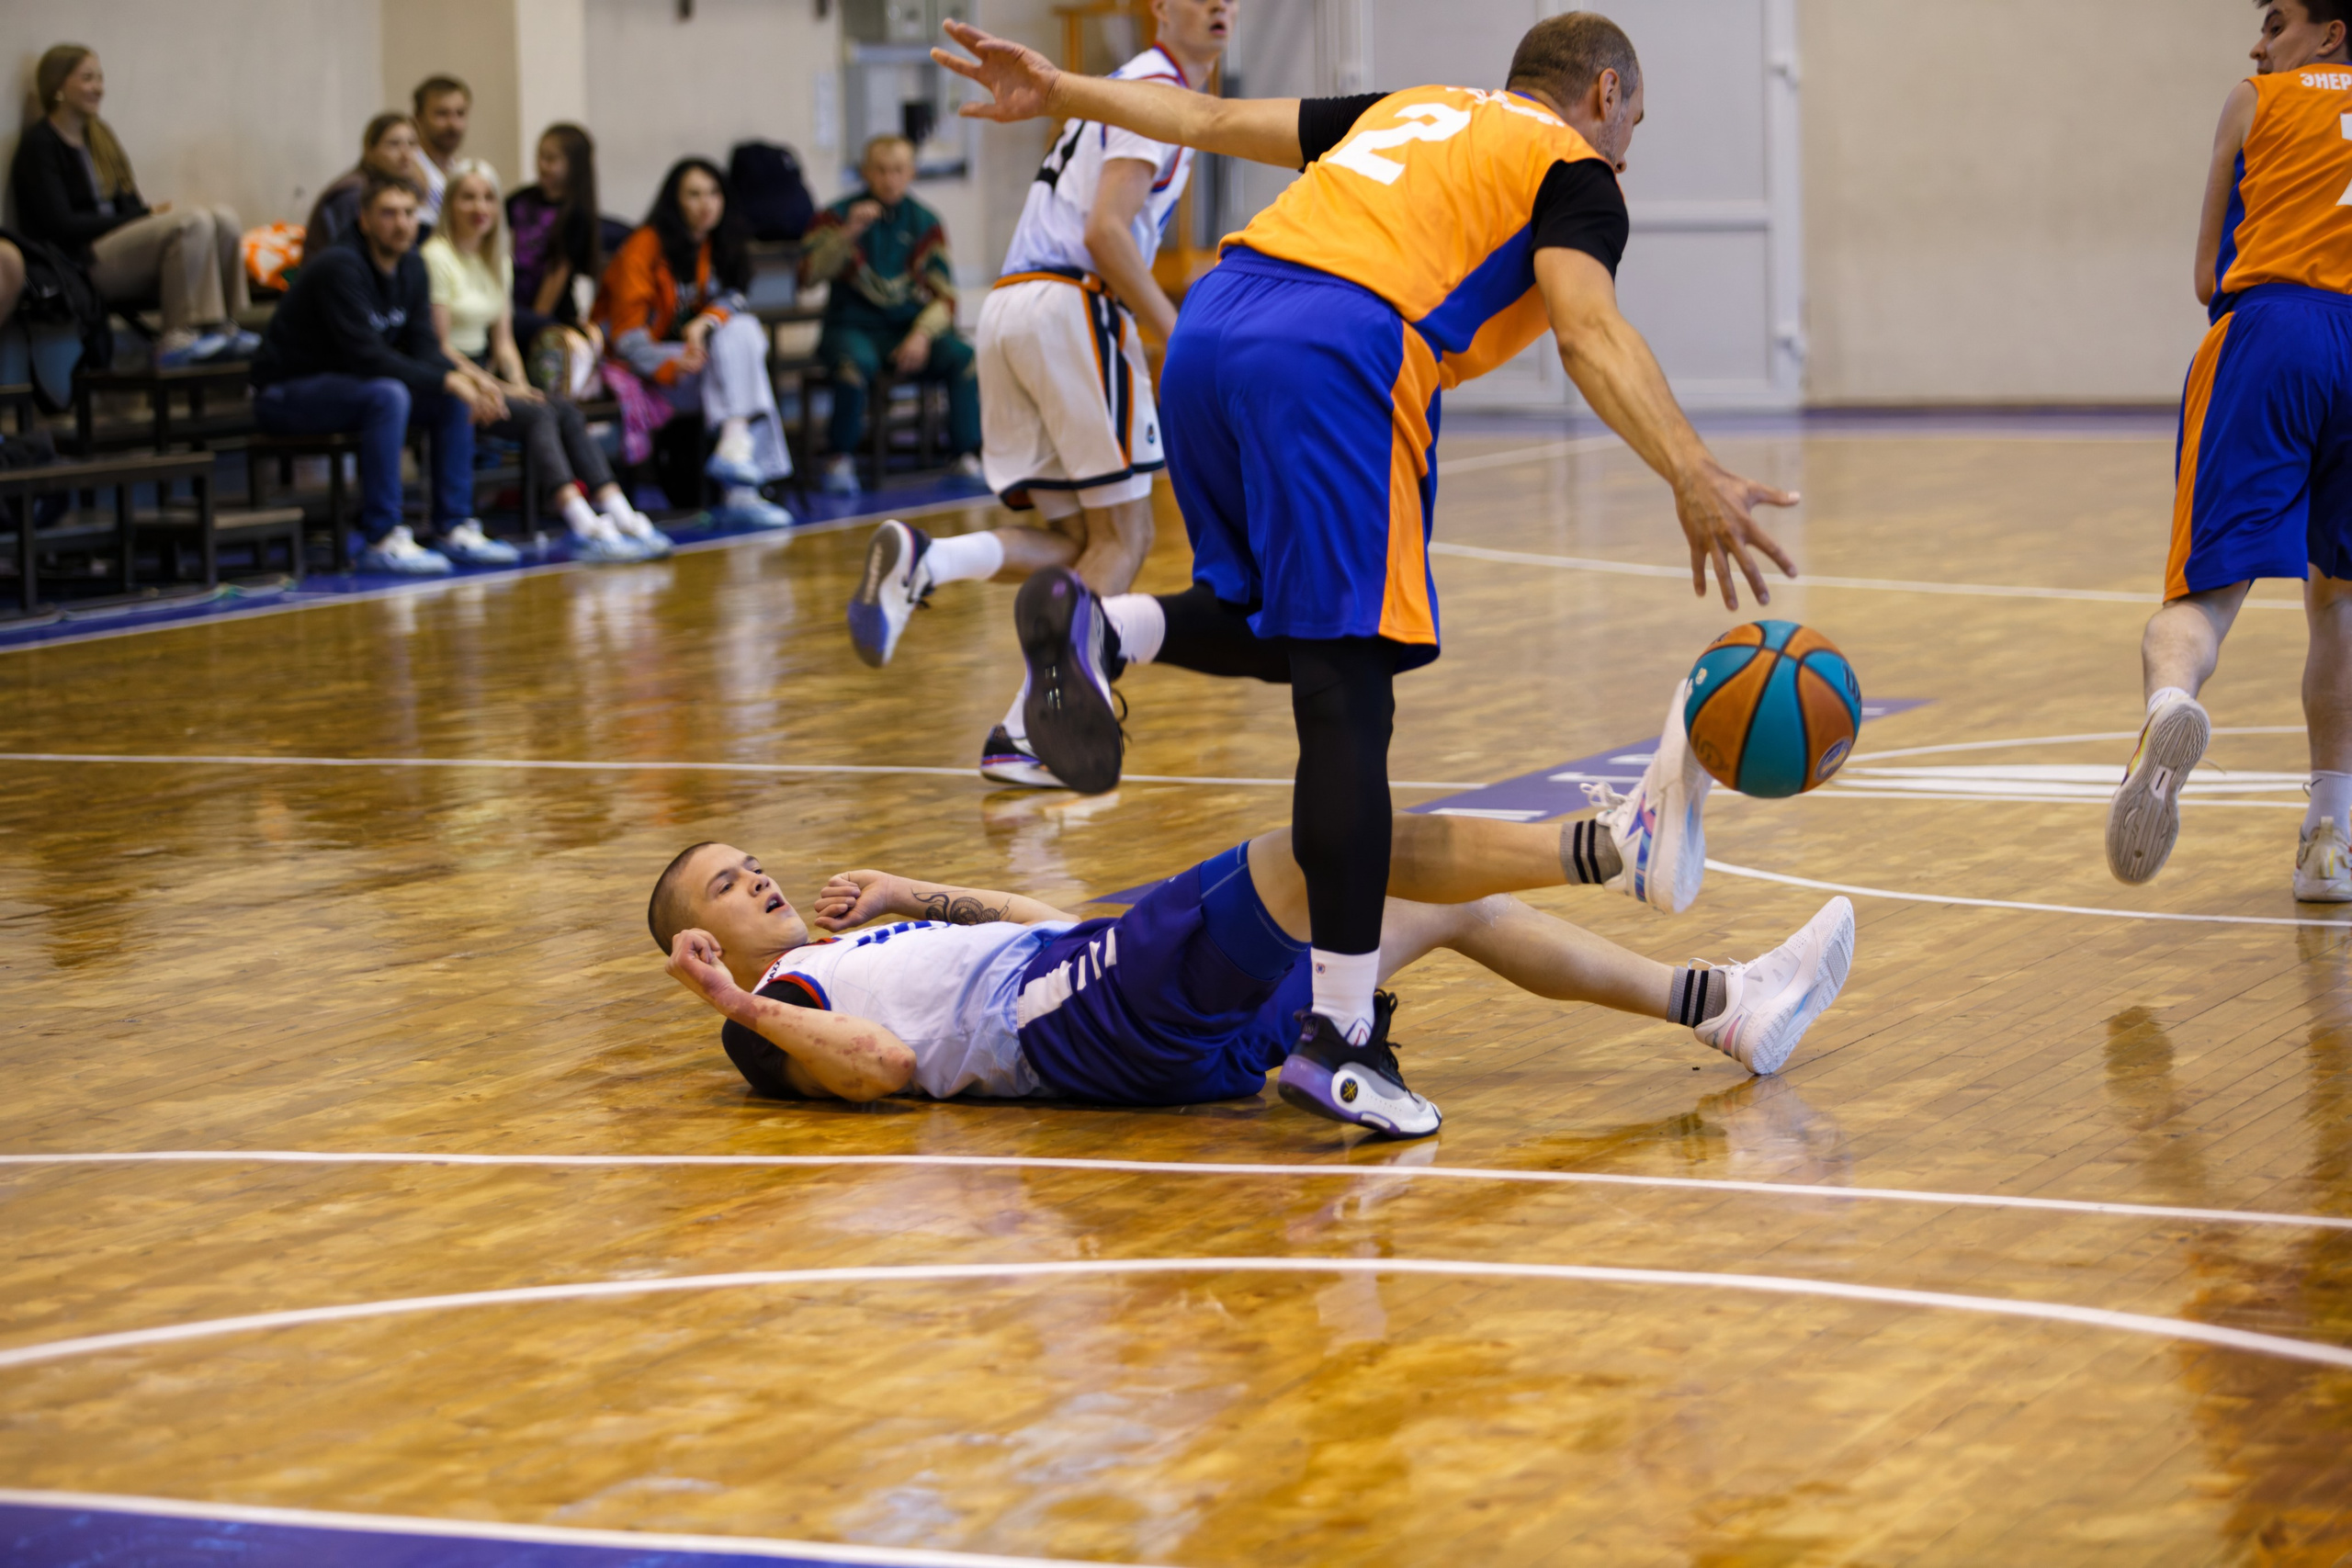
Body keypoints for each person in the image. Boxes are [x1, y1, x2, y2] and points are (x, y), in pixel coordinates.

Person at [933, 13, 1804, 1131]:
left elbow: (1201, 120)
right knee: (1349, 699)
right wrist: (1690, 468)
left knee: (1280, 624)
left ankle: (1113, 633)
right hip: (1338, 346)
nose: (1629, 141)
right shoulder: (1573, 169)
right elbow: (1587, 329)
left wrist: (1062, 90)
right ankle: (1340, 1038)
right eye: (1633, 115)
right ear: (1602, 92)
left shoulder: (1406, 109)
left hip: (1214, 324)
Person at [649, 809, 1856, 1131]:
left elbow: (1051, 917)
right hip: (1082, 1019)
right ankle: (1610, 847)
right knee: (1317, 842)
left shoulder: (851, 941)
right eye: (725, 886)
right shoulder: (779, 1008)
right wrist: (729, 999)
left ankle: (1724, 1006)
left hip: (1097, 981)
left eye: (751, 863)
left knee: (1445, 900)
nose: (757, 879)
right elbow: (888, 1069)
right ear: (695, 941)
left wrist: (914, 889)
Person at [848, 0, 1229, 790]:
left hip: (1012, 306)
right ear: (1160, 7)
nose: (1222, 2)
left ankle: (929, 559)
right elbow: (1106, 230)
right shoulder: (1153, 91)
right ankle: (1029, 729)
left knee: (1080, 547)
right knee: (1125, 541)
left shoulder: (1131, 86)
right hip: (1070, 304)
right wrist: (1178, 335)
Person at [2107, 0, 2352, 902]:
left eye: (2277, 20)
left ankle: (2170, 708)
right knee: (2341, 605)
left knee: (2202, 600)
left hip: (2273, 337)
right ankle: (2330, 837)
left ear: (2330, 33)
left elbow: (2209, 274)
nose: (2258, 41)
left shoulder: (2254, 100)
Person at [249, 173, 508, 576]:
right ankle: (382, 536)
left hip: (350, 387)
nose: (402, 223)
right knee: (390, 395)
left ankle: (454, 526)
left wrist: (468, 380)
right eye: (388, 213)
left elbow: (425, 348)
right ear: (364, 220)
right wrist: (446, 378)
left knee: (452, 398)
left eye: (409, 213)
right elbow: (367, 356)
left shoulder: (412, 266)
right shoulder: (339, 266)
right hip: (285, 393)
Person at [423, 159, 673, 563]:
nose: (478, 207)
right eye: (467, 197)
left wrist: (520, 384)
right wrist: (498, 388)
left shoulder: (496, 261)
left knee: (562, 410)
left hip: (488, 372)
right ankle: (580, 520)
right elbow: (440, 346)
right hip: (452, 376)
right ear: (450, 204)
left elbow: (503, 341)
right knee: (539, 417)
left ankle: (619, 511)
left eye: (487, 197)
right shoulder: (435, 257)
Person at [10, 45, 256, 367]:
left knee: (223, 218)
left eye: (100, 78)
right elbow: (61, 225)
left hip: (117, 250)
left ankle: (221, 325)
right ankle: (176, 336)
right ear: (58, 86)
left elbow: (130, 203)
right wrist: (138, 218)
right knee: (191, 222)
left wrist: (139, 216)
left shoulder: (101, 137)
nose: (99, 87)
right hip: (78, 263)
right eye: (87, 78)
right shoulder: (39, 145)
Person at [594, 157, 795, 529]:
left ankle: (736, 454)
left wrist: (705, 322)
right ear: (675, 201)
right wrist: (670, 365)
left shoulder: (717, 244)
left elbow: (734, 298)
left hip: (694, 367)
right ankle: (743, 485)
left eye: (714, 193)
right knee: (745, 364)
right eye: (694, 194)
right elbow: (624, 337)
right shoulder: (644, 247)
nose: (706, 204)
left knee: (743, 330)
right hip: (639, 372)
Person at [801, 134, 980, 496]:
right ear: (866, 172)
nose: (889, 179)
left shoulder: (925, 221)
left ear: (911, 172)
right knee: (855, 364)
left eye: (898, 170)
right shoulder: (834, 215)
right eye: (880, 171)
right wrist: (849, 232)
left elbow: (945, 296)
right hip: (851, 327)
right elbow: (808, 276)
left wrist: (922, 334)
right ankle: (840, 458)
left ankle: (966, 453)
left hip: (904, 329)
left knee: (963, 356)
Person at [505, 122, 605, 385]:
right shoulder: (521, 200)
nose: (543, 165)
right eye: (540, 156)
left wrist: (534, 323)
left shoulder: (576, 214)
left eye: (552, 159)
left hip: (551, 310)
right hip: (516, 295)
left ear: (574, 165)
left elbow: (556, 273)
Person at [305, 113, 425, 258]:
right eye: (394, 144)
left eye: (412, 144)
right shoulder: (352, 194)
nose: (406, 155)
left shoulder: (402, 188)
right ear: (370, 149)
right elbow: (347, 257)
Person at [411, 75, 470, 230]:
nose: (453, 124)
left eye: (460, 113)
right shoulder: (410, 167)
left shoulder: (461, 170)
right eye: (442, 114)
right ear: (418, 118)